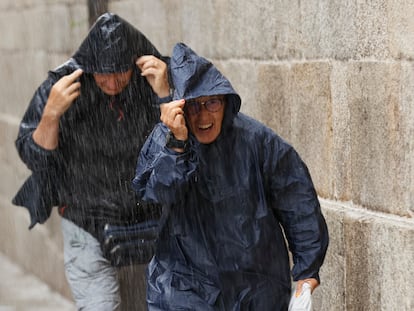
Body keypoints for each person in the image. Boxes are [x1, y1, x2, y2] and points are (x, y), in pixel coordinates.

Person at [132, 43, 329, 310]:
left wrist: (306, 275)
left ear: (224, 101)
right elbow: (154, 191)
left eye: (211, 103)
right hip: (184, 283)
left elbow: (297, 202)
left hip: (255, 284)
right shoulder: (164, 139)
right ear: (179, 107)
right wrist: (177, 145)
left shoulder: (257, 142)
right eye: (193, 106)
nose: (203, 115)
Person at [12, 13, 171, 310]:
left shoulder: (155, 79)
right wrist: (51, 115)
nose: (111, 81)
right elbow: (32, 156)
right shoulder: (61, 86)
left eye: (120, 72)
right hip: (86, 217)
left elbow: (183, 149)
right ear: (88, 67)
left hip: (150, 217)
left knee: (165, 303)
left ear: (134, 62)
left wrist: (165, 95)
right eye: (102, 73)